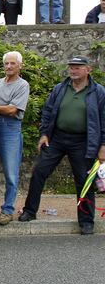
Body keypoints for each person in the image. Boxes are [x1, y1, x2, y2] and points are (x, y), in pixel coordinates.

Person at [18, 57, 105, 234]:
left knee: (84, 181)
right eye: (71, 67)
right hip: (57, 138)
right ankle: (29, 211)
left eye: (78, 68)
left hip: (83, 141)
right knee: (39, 172)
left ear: (88, 70)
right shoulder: (60, 88)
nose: (73, 70)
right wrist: (44, 134)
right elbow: (48, 111)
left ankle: (86, 222)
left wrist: (103, 145)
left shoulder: (99, 92)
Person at [0, 51, 30, 224]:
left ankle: (7, 210)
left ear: (19, 66)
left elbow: (12, 110)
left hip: (10, 129)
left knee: (10, 172)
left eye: (12, 64)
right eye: (6, 63)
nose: (8, 66)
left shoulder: (22, 85)